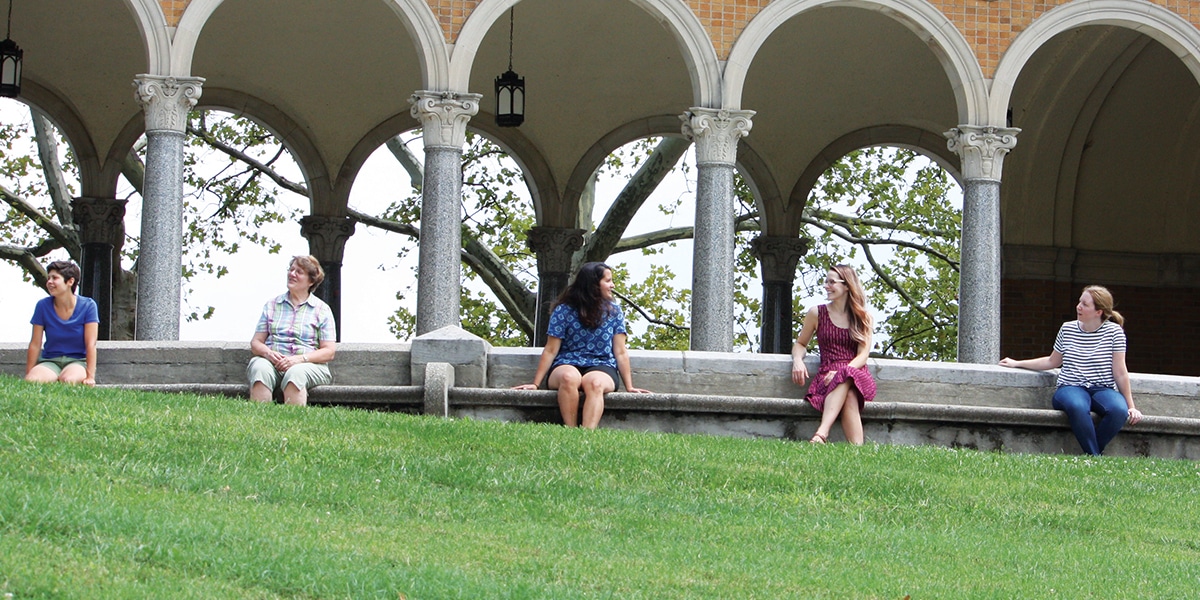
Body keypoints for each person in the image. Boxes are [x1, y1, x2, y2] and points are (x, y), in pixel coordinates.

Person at [999, 285, 1142, 456]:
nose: (1078, 307)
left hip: (1102, 388)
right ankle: (1094, 457)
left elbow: (1120, 372)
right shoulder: (1068, 329)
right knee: (1077, 406)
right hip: (1070, 387)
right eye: (1079, 302)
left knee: (1119, 410)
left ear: (1099, 312)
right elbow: (1052, 361)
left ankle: (1092, 453)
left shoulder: (1115, 333)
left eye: (1085, 304)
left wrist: (1131, 407)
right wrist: (1017, 363)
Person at [513, 262, 650, 428]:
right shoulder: (563, 310)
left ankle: (586, 434)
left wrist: (630, 386)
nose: (612, 285)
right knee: (568, 378)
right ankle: (571, 430)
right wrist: (535, 384)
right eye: (608, 281)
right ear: (593, 284)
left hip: (602, 364)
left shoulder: (614, 311)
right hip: (567, 363)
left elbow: (620, 351)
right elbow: (550, 349)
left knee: (595, 384)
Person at [791, 265, 876, 444]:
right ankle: (857, 451)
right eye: (826, 282)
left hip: (855, 373)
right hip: (826, 374)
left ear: (847, 286)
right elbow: (800, 343)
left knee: (846, 377)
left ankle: (821, 433)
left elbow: (863, 355)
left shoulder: (863, 317)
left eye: (832, 282)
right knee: (850, 397)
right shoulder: (817, 313)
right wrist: (798, 360)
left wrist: (843, 371)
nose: (826, 286)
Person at [247, 255, 337, 406]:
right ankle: (258, 422)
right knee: (260, 368)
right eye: (291, 269)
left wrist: (298, 360)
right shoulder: (272, 305)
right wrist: (268, 353)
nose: (292, 274)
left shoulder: (322, 310)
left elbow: (329, 351)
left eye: (299, 272)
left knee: (295, 374)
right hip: (273, 363)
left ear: (311, 281)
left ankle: (293, 425)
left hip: (307, 365)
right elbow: (256, 342)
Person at [25, 260, 99, 386]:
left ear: (70, 281)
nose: (49, 282)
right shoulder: (42, 306)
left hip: (76, 361)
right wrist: (29, 373)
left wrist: (90, 376)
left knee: (68, 380)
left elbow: (91, 344)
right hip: (50, 361)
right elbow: (35, 344)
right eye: (48, 278)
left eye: (55, 278)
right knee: (32, 381)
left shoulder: (88, 306)